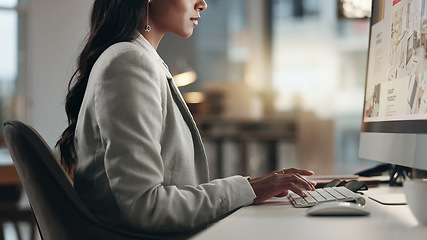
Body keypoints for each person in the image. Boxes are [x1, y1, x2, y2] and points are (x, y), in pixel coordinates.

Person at [56, 0, 316, 236]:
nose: (202, 4)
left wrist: (250, 186)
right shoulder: (128, 62)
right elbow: (147, 207)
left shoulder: (140, 59)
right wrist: (248, 190)